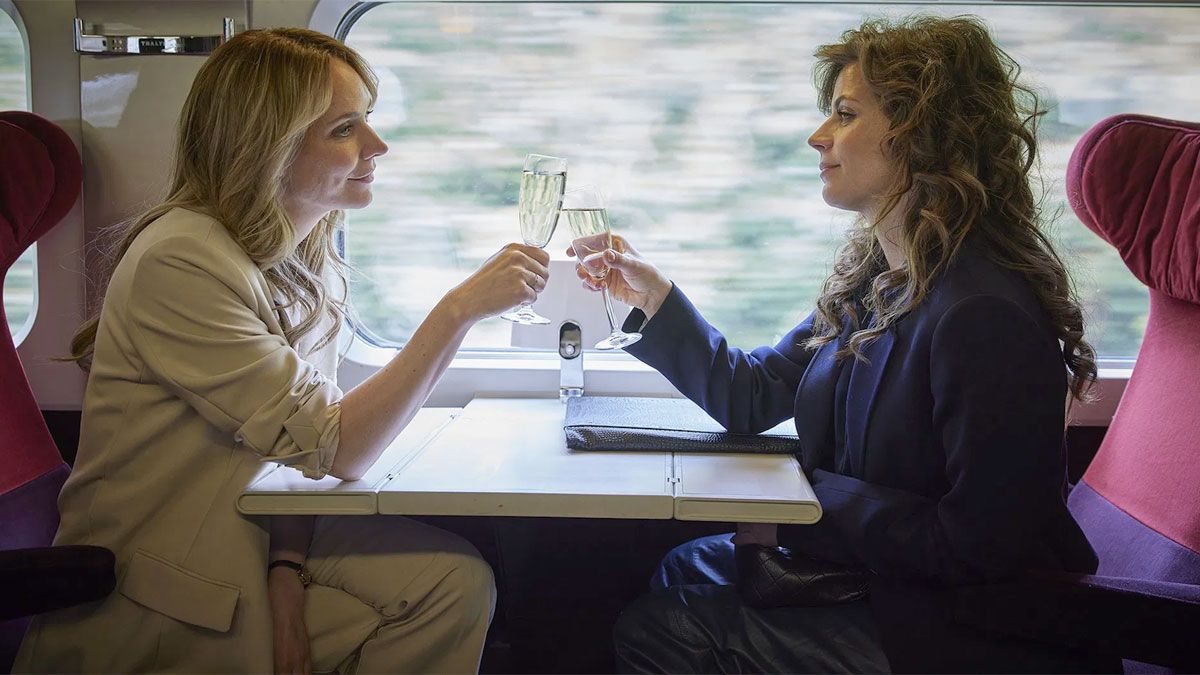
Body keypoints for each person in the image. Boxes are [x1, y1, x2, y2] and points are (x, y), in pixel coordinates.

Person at [15, 28, 549, 674]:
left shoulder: (294, 263)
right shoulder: (179, 262)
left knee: (452, 584)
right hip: (150, 595)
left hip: (245, 547)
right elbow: (338, 445)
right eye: (346, 129)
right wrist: (458, 310)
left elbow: (296, 458)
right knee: (443, 595)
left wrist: (287, 575)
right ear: (271, 148)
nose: (377, 147)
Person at [579, 15, 1101, 673]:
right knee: (684, 565)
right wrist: (652, 297)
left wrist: (805, 496)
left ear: (922, 135)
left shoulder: (982, 315)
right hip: (885, 575)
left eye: (846, 114)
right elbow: (755, 392)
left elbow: (981, 547)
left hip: (964, 629)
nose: (817, 136)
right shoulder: (878, 281)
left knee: (663, 630)